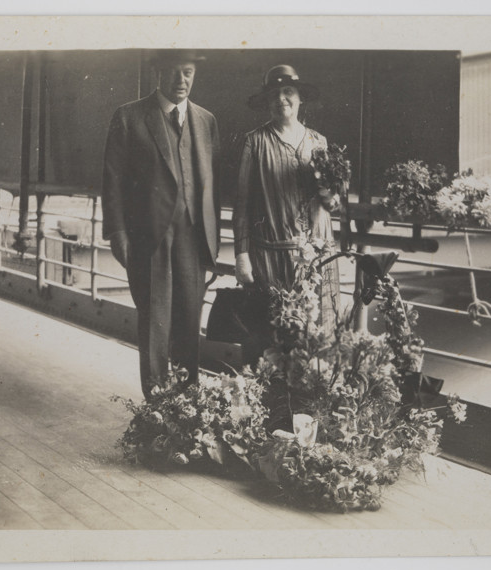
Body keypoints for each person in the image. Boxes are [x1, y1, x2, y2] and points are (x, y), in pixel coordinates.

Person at [102, 50, 221, 400]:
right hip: (148, 239)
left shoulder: (206, 120)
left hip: (193, 237)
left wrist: (212, 240)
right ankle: (156, 411)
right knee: (155, 325)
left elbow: (213, 184)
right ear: (158, 73)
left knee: (188, 321)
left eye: (188, 73)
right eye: (173, 73)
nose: (181, 80)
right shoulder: (129, 117)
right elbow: (113, 181)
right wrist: (118, 233)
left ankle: (188, 413)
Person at [233, 64, 341, 343]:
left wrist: (331, 197)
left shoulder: (319, 142)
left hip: (318, 257)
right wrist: (241, 256)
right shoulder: (254, 143)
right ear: (266, 101)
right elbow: (242, 204)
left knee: (317, 335)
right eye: (274, 94)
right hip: (272, 257)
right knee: (275, 335)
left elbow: (333, 203)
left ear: (300, 97)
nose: (281, 98)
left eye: (288, 91)